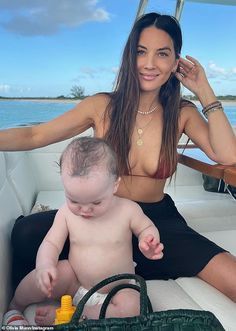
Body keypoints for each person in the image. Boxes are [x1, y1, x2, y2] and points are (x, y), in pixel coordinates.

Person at [1, 11, 236, 304]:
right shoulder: (102, 106)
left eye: (162, 54)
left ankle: (126, 271)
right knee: (25, 232)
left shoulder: (182, 112)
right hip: (99, 219)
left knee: (233, 278)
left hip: (155, 225)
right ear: (129, 57)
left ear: (176, 62)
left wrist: (204, 90)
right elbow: (35, 136)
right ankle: (17, 307)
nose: (149, 64)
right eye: (141, 52)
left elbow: (227, 155)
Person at [4, 137, 164, 325]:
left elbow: (146, 227)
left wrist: (149, 241)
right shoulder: (65, 214)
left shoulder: (128, 210)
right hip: (75, 282)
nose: (85, 210)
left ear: (115, 185)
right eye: (74, 201)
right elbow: (51, 243)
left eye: (96, 202)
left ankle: (73, 315)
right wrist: (44, 266)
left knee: (134, 307)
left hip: (118, 287)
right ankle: (15, 307)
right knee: (42, 277)